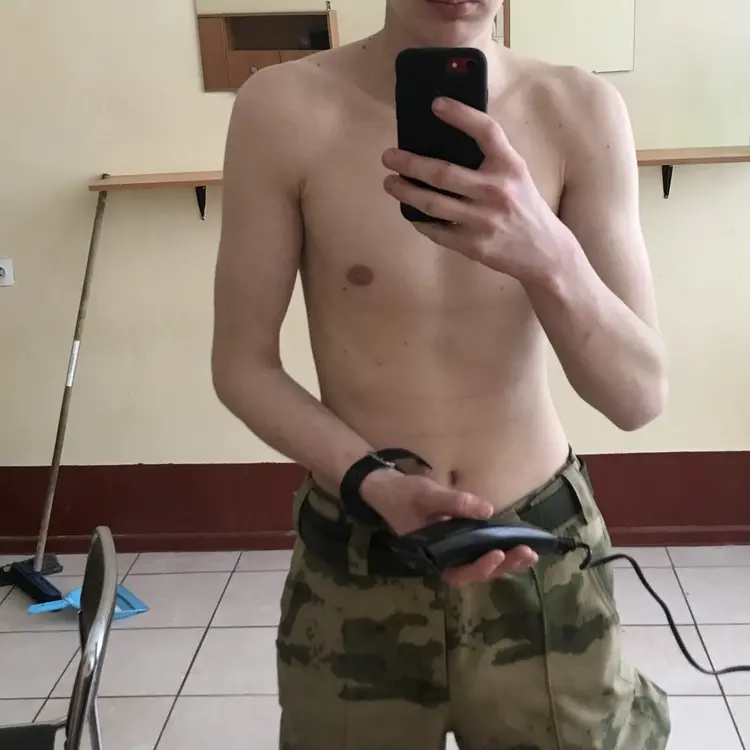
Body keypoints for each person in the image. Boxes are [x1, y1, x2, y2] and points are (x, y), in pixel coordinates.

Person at [211, 0, 671, 747]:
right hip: (359, 542)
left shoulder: (579, 109)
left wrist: (548, 254)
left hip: (537, 543)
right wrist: (373, 482)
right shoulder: (285, 107)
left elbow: (638, 396)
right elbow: (242, 365)